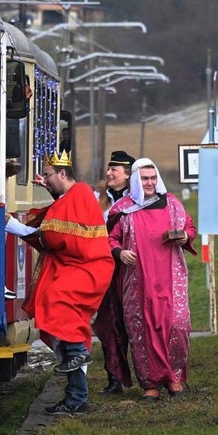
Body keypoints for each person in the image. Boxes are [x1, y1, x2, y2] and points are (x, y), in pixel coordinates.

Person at [7, 151, 114, 416]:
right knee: (63, 317)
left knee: (58, 304)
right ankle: (77, 398)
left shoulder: (77, 195)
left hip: (86, 270)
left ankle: (77, 357)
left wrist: (17, 228)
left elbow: (55, 236)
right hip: (81, 267)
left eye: (49, 175)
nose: (46, 180)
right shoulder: (72, 196)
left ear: (63, 174)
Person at [107, 158, 197, 400]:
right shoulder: (123, 209)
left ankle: (174, 377)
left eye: (153, 178)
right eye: (144, 178)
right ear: (136, 179)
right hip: (138, 279)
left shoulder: (173, 205)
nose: (149, 183)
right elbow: (108, 239)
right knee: (143, 329)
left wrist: (184, 237)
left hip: (170, 276)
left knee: (177, 325)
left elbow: (190, 227)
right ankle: (150, 383)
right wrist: (119, 252)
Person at [92, 149, 135, 395]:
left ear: (128, 175)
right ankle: (115, 378)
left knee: (135, 323)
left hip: (133, 268)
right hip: (106, 267)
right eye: (108, 169)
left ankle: (149, 377)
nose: (108, 173)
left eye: (114, 170)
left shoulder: (141, 197)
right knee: (109, 323)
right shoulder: (97, 197)